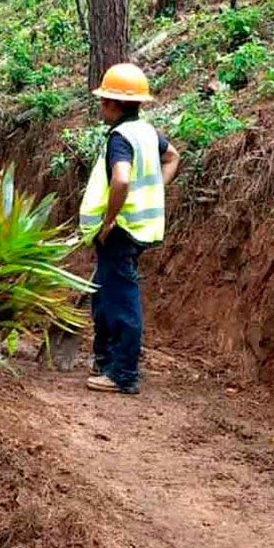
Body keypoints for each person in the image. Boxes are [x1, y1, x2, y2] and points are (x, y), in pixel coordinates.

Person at [79, 63, 180, 395]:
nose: (101, 105)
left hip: (121, 230)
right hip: (140, 227)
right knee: (104, 291)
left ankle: (123, 374)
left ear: (112, 103)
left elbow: (121, 178)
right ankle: (105, 359)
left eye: (103, 100)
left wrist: (109, 220)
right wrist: (155, 190)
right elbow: (173, 157)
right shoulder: (148, 132)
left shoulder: (121, 138)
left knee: (121, 300)